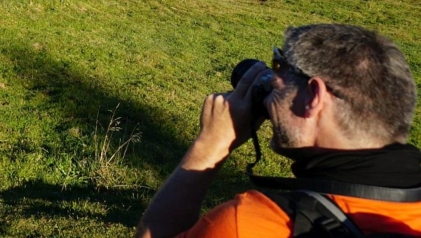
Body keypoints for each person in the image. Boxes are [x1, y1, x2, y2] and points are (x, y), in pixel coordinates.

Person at [136, 24, 421, 237]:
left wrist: (210, 145)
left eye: (278, 65)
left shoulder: (250, 224)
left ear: (314, 96)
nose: (271, 78)